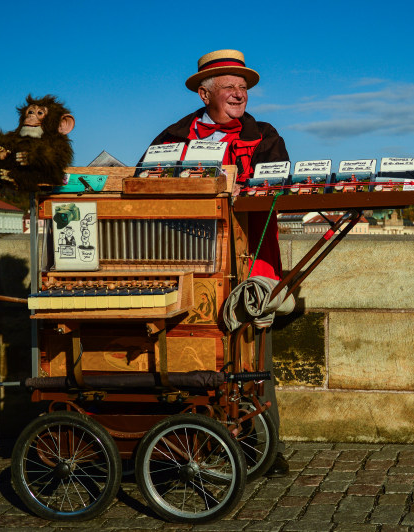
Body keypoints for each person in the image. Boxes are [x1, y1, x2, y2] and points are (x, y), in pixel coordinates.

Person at [143, 49, 290, 477]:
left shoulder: (265, 135)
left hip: (249, 257)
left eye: (243, 87)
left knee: (254, 357)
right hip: (188, 262)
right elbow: (147, 184)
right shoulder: (172, 135)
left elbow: (273, 186)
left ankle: (262, 447)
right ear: (206, 92)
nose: (239, 93)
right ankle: (186, 444)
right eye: (230, 86)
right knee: (190, 353)